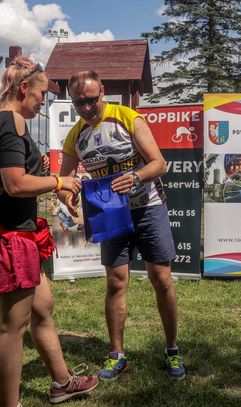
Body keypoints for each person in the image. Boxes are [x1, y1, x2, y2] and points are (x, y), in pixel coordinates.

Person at [0, 56, 98, 406]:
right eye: (41, 94)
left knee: (42, 307)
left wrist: (44, 175)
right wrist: (58, 180)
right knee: (12, 328)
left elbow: (8, 175)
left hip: (13, 233)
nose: (43, 102)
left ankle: (62, 382)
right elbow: (14, 184)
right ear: (24, 88)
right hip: (10, 237)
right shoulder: (11, 121)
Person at [58, 71, 185, 380]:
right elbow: (63, 180)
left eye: (91, 100)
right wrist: (67, 196)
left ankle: (172, 350)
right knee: (116, 282)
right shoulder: (76, 135)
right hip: (111, 215)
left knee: (162, 279)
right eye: (79, 103)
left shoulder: (127, 118)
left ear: (103, 91)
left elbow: (159, 163)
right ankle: (117, 355)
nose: (86, 108)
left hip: (148, 207)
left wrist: (136, 177)